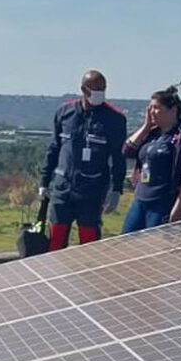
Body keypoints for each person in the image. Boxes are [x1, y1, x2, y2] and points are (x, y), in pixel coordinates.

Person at [40, 70, 127, 250]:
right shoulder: (65, 112)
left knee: (88, 245)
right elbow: (54, 148)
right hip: (62, 188)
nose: (100, 93)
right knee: (55, 240)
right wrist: (44, 181)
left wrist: (116, 189)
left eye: (103, 89)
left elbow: (119, 157)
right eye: (96, 89)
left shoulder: (114, 119)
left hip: (91, 192)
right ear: (83, 89)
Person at [123, 84, 181, 233]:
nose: (152, 112)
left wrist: (179, 206)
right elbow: (127, 150)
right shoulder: (151, 134)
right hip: (142, 198)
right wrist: (146, 126)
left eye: (156, 108)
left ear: (173, 110)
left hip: (164, 201)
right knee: (127, 240)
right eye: (150, 108)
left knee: (155, 244)